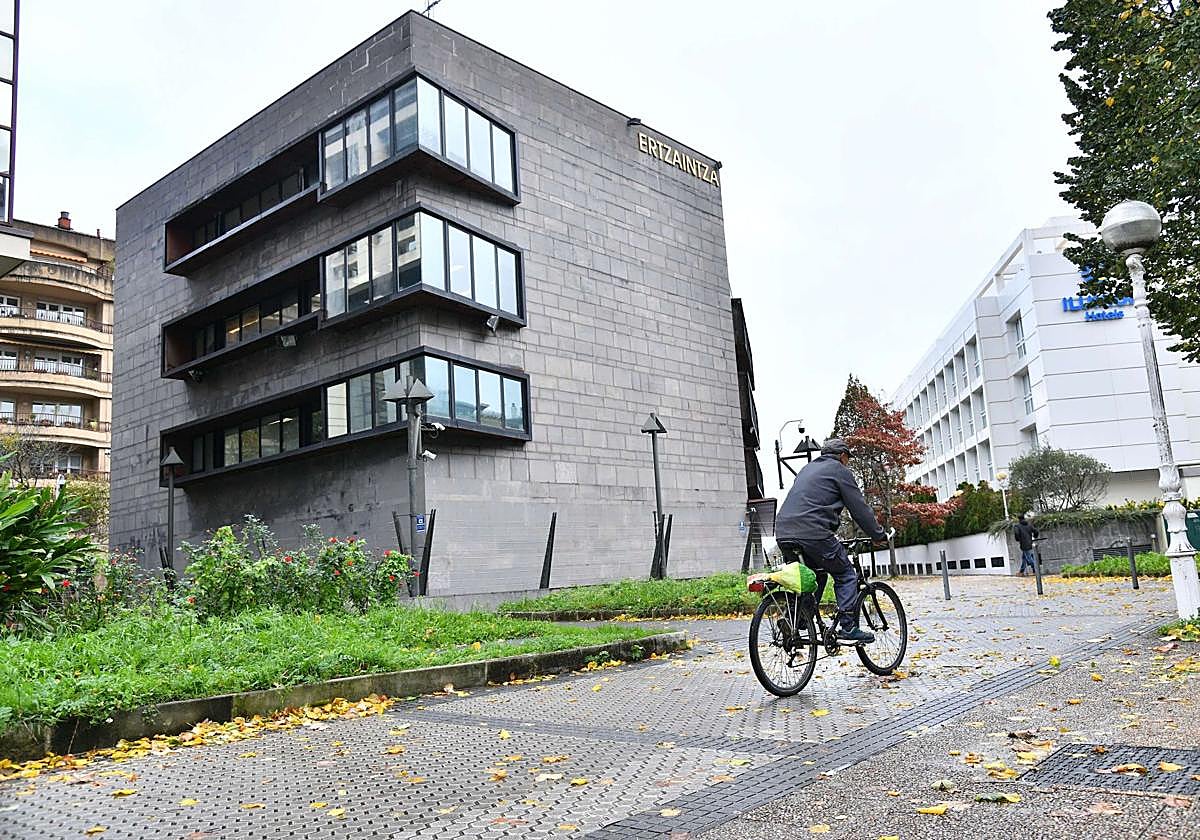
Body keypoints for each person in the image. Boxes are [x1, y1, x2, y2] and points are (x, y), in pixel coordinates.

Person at [774, 438, 892, 644]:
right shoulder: (840, 471)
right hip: (813, 532)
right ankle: (848, 626)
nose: (848, 462)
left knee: (814, 576)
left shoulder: (806, 469)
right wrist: (878, 535)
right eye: (848, 459)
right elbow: (859, 508)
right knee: (846, 574)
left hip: (783, 532)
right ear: (842, 456)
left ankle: (797, 619)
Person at [1015, 512, 1039, 576]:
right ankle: (1021, 572)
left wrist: (1018, 539)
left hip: (1024, 544)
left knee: (1029, 559)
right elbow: (1036, 531)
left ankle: (1036, 570)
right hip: (1030, 542)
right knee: (1024, 558)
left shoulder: (1017, 526)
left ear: (1018, 519)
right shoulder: (1029, 525)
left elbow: (1017, 533)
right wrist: (1035, 536)